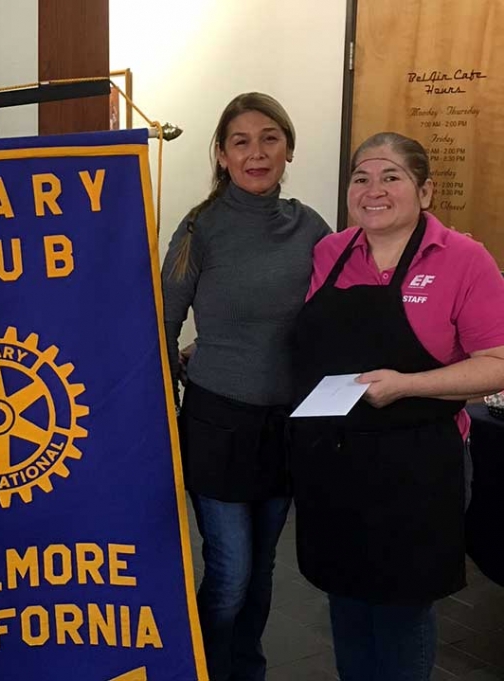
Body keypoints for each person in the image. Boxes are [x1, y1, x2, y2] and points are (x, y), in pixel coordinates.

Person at [289, 132, 504, 681]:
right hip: (335, 460)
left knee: (403, 609)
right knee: (345, 599)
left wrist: (407, 384)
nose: (373, 189)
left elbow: (498, 363)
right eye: (361, 177)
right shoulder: (329, 252)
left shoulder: (464, 258)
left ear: (425, 191)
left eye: (391, 177)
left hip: (420, 465)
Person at [162, 92, 330, 680]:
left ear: (288, 149)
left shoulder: (313, 228)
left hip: (284, 426)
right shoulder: (200, 227)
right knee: (230, 574)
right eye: (241, 141)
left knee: (261, 575)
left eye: (269, 139)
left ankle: (247, 670)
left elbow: (341, 315)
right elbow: (162, 319)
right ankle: (203, 668)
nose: (256, 152)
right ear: (222, 154)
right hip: (217, 423)